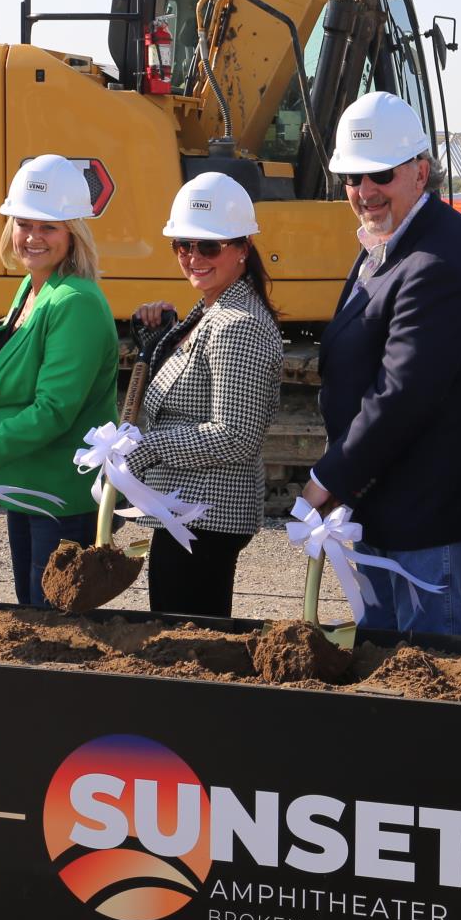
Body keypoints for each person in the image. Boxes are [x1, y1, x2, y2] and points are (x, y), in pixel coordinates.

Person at [301, 92, 461, 635]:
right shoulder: (390, 241)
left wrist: (327, 477)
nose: (364, 191)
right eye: (352, 178)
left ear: (421, 172)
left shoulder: (436, 261)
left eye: (380, 175)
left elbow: (402, 393)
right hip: (383, 499)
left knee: (428, 672)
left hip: (425, 510)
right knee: (380, 659)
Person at [128, 172, 283, 618]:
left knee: (190, 647)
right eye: (183, 245)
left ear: (242, 249)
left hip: (206, 518)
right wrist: (162, 335)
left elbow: (234, 434)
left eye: (209, 246)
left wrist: (145, 449)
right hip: (188, 514)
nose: (193, 256)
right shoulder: (212, 310)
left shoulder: (239, 324)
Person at [0, 155, 117, 609]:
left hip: (59, 498)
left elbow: (54, 409)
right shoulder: (35, 288)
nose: (33, 237)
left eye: (49, 227)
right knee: (31, 613)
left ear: (73, 232)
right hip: (30, 488)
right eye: (24, 224)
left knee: (52, 627)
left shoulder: (74, 301)